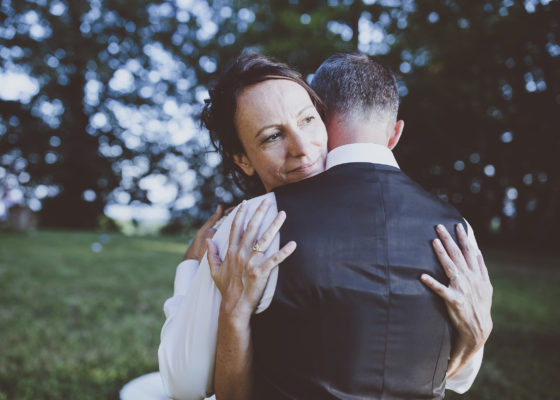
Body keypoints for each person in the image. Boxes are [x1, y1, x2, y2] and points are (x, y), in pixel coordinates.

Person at [152, 52, 492, 400]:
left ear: (326, 119)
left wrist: (189, 268)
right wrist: (476, 338)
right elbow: (458, 377)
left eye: (307, 120)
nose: (302, 148)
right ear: (241, 158)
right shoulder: (456, 228)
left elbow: (184, 385)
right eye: (271, 136)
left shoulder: (251, 226)